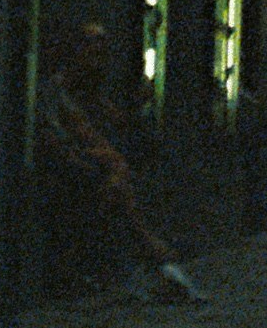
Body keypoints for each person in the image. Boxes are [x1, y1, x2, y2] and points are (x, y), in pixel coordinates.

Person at [38, 21, 201, 304]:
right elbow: (66, 137)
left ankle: (138, 255)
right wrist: (102, 158)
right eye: (92, 52)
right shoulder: (58, 90)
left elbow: (114, 122)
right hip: (67, 167)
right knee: (113, 184)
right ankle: (144, 248)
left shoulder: (89, 92)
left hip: (92, 166)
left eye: (102, 54)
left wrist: (136, 108)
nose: (98, 62)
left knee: (117, 183)